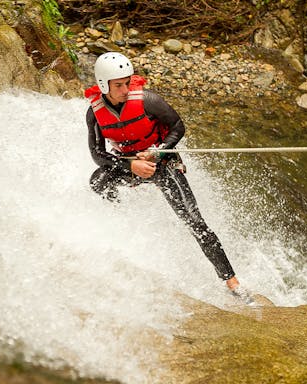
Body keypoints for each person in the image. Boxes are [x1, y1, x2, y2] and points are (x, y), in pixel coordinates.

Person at [84, 52, 250, 301]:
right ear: (103, 85)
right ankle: (119, 225)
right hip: (131, 165)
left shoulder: (149, 101)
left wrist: (158, 153)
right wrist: (130, 166)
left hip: (162, 164)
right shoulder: (94, 113)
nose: (126, 89)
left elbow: (177, 126)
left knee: (196, 222)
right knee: (97, 181)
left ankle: (232, 282)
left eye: (128, 82)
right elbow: (98, 155)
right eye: (119, 85)